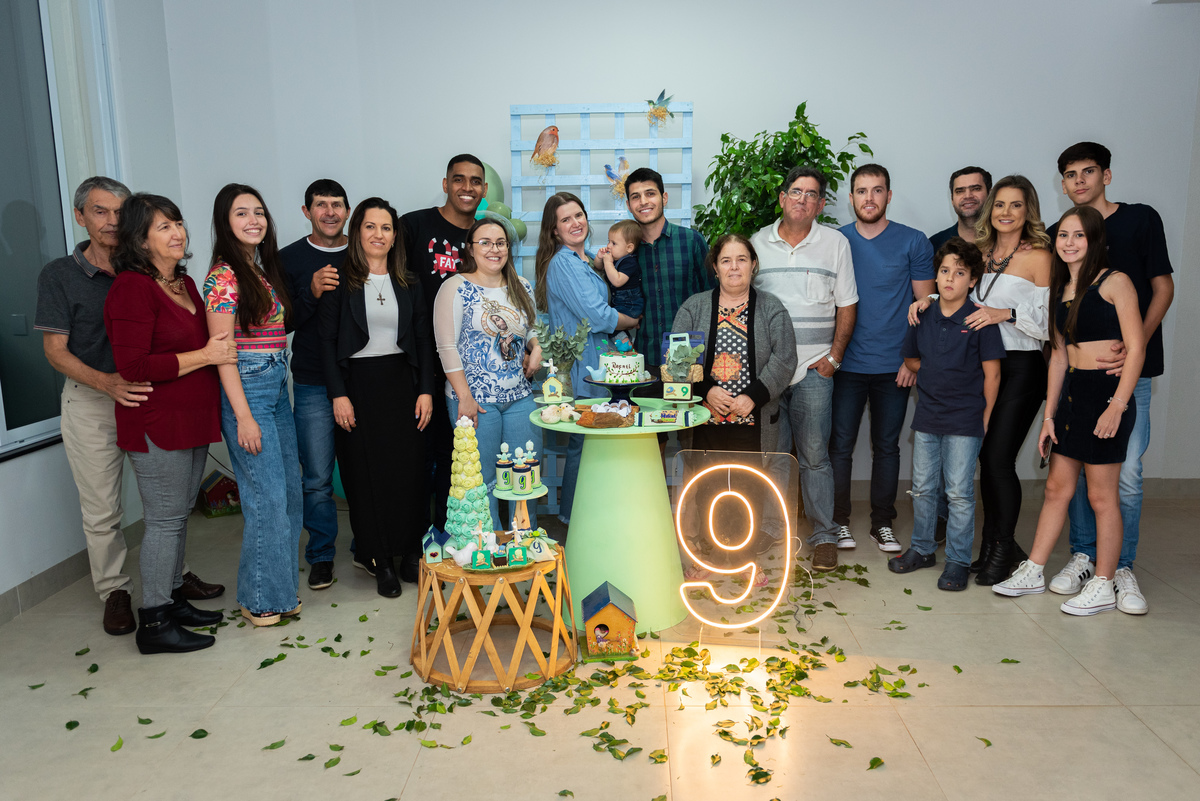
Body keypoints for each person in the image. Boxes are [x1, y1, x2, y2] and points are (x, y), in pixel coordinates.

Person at [35, 176, 223, 637]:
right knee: (111, 510)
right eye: (100, 211)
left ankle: (172, 591)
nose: (112, 221)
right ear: (80, 216)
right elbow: (59, 351)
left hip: (166, 403)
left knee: (174, 513)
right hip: (105, 396)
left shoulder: (175, 280)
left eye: (120, 212)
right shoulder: (76, 277)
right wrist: (109, 382)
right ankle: (125, 598)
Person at [994, 207, 1145, 616]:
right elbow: (1059, 357)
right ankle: (1033, 571)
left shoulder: (1116, 282)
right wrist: (1049, 416)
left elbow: (1136, 348)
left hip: (1106, 395)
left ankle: (1104, 583)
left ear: (1095, 240)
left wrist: (1117, 406)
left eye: (1079, 235)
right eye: (1063, 235)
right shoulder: (1060, 288)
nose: (1070, 243)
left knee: (1101, 496)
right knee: (1057, 490)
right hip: (1072, 396)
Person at [1047, 142, 1174, 614]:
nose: (1079, 180)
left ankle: (1121, 567)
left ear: (1107, 175)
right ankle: (1085, 556)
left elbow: (1163, 287)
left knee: (1127, 475)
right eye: (1070, 174)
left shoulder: (1141, 219)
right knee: (1080, 468)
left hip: (1128, 372)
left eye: (1088, 171)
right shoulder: (1061, 234)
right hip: (1080, 377)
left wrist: (1132, 342)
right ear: (1063, 184)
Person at [104, 193, 234, 652]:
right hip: (156, 423)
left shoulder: (185, 283)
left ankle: (174, 599)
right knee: (164, 521)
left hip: (191, 419)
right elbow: (133, 365)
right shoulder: (131, 288)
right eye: (163, 227)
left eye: (177, 223)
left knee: (177, 519)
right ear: (140, 240)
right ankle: (155, 623)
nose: (177, 232)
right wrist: (205, 355)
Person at [909, 175, 1052, 585]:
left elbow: (1049, 322)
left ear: (1028, 211)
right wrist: (928, 300)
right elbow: (958, 290)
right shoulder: (983, 253)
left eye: (1016, 205)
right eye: (1000, 205)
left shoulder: (1040, 257)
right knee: (984, 458)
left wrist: (1004, 314)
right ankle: (991, 546)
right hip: (981, 365)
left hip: (1021, 366)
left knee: (997, 458)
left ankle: (1002, 547)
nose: (1006, 212)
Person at [320, 198, 435, 597]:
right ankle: (379, 559)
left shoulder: (409, 281)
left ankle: (409, 554)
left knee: (409, 473)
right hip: (358, 387)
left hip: (404, 384)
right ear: (357, 231)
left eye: (386, 227)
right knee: (365, 475)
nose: (378, 234)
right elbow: (326, 342)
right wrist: (338, 395)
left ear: (395, 235)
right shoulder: (339, 280)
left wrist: (425, 390)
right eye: (370, 226)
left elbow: (422, 339)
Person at [204, 183, 302, 626]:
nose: (253, 220)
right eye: (241, 213)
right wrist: (243, 417)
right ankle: (258, 598)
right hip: (250, 393)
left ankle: (280, 591)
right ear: (225, 223)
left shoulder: (257, 269)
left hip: (276, 387)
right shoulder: (224, 276)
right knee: (266, 499)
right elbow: (223, 353)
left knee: (289, 494)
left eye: (259, 212)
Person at [751, 166, 858, 572]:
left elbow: (847, 303)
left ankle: (825, 534)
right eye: (796, 192)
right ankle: (773, 526)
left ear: (821, 204)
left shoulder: (835, 243)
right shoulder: (758, 243)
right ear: (782, 198)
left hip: (815, 370)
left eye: (812, 194)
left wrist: (834, 358)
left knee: (814, 456)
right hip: (770, 372)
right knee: (774, 454)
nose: (803, 200)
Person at [830, 164, 935, 553]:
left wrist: (912, 360)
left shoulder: (913, 241)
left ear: (889, 196)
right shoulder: (836, 241)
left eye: (877, 190)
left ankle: (882, 523)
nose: (869, 198)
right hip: (845, 365)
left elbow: (926, 305)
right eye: (861, 191)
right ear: (851, 198)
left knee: (887, 447)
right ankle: (838, 522)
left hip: (895, 367)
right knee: (839, 447)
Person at [891, 239, 1004, 590]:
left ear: (972, 280)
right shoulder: (922, 315)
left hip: (965, 419)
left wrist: (985, 417)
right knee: (923, 488)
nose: (950, 278)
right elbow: (910, 359)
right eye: (944, 271)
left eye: (959, 273)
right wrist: (932, 371)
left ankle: (956, 560)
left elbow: (993, 375)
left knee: (958, 493)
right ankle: (923, 549)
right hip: (928, 416)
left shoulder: (980, 320)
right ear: (936, 276)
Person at [534, 193, 639, 522]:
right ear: (554, 230)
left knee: (596, 443)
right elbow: (596, 315)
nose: (575, 223)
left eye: (578, 215)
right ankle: (574, 519)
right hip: (583, 366)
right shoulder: (564, 263)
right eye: (565, 219)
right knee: (585, 442)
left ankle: (594, 518)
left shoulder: (588, 259)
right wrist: (633, 320)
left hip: (599, 362)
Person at [434, 218, 542, 529]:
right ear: (470, 248)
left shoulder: (521, 286)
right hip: (475, 401)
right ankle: (490, 550)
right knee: (483, 485)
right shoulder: (455, 287)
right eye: (485, 242)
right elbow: (446, 347)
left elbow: (531, 327)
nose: (494, 249)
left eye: (500, 242)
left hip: (520, 397)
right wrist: (464, 397)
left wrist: (536, 347)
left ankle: (526, 547)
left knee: (525, 480)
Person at [401, 155, 488, 538]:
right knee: (417, 454)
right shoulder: (414, 226)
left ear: (484, 189)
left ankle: (447, 535)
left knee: (456, 453)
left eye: (475, 181)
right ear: (445, 184)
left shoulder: (484, 235)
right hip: (418, 360)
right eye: (459, 179)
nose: (467, 187)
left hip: (466, 367)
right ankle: (415, 540)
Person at [279, 179, 349, 591]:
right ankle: (321, 555)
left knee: (364, 471)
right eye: (321, 205)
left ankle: (369, 547)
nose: (329, 212)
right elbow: (281, 323)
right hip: (312, 382)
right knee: (318, 478)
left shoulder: (363, 251)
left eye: (337, 204)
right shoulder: (289, 258)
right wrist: (310, 292)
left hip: (360, 381)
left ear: (347, 211)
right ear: (307, 211)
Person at [624, 168, 711, 371]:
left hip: (690, 360)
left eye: (650, 193)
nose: (643, 201)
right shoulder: (626, 252)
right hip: (644, 362)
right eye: (636, 197)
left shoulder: (691, 241)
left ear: (664, 198)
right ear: (628, 205)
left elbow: (712, 297)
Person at [929, 167, 993, 250]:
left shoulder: (1005, 238)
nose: (968, 196)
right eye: (960, 191)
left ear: (990, 194)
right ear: (952, 199)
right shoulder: (934, 245)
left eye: (976, 189)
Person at [596, 219, 645, 323]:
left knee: (610, 323)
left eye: (614, 243)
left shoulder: (630, 262)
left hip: (629, 306)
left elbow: (617, 281)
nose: (609, 246)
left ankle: (625, 334)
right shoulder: (614, 259)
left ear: (629, 248)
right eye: (608, 241)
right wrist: (599, 258)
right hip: (617, 303)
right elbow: (598, 267)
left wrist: (608, 263)